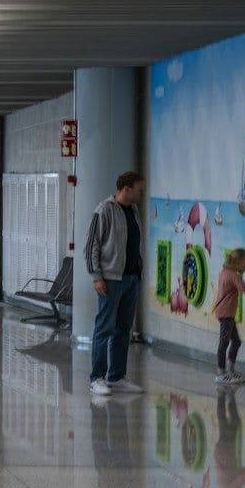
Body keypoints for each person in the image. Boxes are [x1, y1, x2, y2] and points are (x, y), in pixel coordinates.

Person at [84, 170, 147, 396]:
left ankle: (117, 376)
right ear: (126, 189)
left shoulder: (134, 211)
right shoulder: (104, 211)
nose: (142, 194)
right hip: (110, 279)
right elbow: (91, 246)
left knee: (123, 330)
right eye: (139, 189)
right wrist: (97, 277)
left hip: (131, 278)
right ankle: (97, 378)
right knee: (104, 328)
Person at [212, 247, 245, 385]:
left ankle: (230, 371)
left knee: (236, 341)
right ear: (238, 263)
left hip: (226, 313)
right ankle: (221, 373)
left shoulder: (225, 272)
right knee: (224, 343)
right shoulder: (233, 275)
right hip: (226, 314)